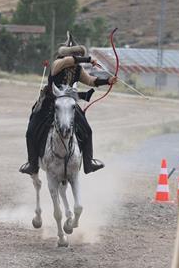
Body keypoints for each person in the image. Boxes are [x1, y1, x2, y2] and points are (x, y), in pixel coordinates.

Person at [19, 34, 117, 175]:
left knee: (87, 131)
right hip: (49, 103)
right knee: (31, 132)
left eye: (78, 55)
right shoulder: (58, 64)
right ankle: (33, 165)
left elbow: (90, 80)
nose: (76, 58)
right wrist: (88, 59)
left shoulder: (77, 69)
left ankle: (88, 164)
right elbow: (68, 61)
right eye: (75, 55)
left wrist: (108, 80)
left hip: (69, 103)